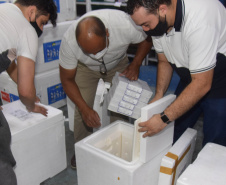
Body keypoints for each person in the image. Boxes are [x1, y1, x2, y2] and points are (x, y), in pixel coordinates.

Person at [59, 9, 152, 169]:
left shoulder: (125, 25)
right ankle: (81, 150)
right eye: (90, 52)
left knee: (120, 107)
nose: (96, 55)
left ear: (107, 33)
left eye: (99, 49)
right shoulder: (69, 42)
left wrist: (135, 63)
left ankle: (117, 148)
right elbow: (67, 80)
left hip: (118, 63)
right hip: (85, 68)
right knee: (83, 108)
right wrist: (84, 108)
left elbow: (147, 39)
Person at [127, 0, 226, 147]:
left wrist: (163, 118)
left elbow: (202, 83)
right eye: (141, 25)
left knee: (214, 140)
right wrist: (159, 95)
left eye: (146, 24)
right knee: (176, 127)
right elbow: (164, 61)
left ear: (162, 9)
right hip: (191, 74)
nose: (145, 30)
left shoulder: (199, 20)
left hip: (220, 77)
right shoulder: (159, 22)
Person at [0, 0, 57, 184]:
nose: (39, 29)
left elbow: (8, 62)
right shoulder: (26, 30)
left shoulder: (3, 11)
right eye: (42, 22)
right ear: (31, 12)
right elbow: (25, 91)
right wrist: (31, 104)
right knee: (2, 157)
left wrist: (29, 96)